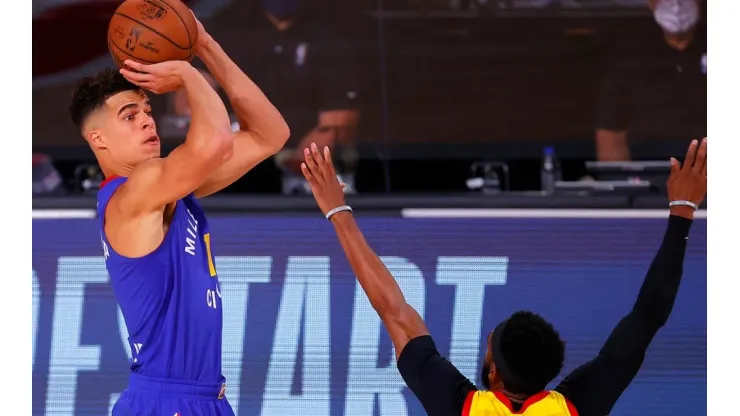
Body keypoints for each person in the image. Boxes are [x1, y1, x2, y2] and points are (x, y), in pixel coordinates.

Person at [300, 138, 707, 415]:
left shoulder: (460, 405)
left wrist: (338, 212)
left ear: (492, 372)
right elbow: (648, 314)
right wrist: (683, 211)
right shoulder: (573, 406)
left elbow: (392, 309)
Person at [68, 11, 289, 416]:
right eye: (129, 116)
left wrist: (205, 44)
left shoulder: (170, 187)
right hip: (166, 402)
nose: (146, 121)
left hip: (205, 397)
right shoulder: (134, 194)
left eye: (147, 111)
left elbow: (270, 133)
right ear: (97, 139)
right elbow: (217, 143)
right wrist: (190, 74)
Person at [170, 0, 361, 194]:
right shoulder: (230, 22)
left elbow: (337, 120)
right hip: (235, 151)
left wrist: (295, 160)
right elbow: (195, 90)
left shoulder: (326, 30)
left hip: (303, 159)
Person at [594, 0, 706, 161]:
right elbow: (611, 133)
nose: (676, 5)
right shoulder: (631, 55)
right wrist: (625, 183)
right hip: (650, 173)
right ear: (651, 3)